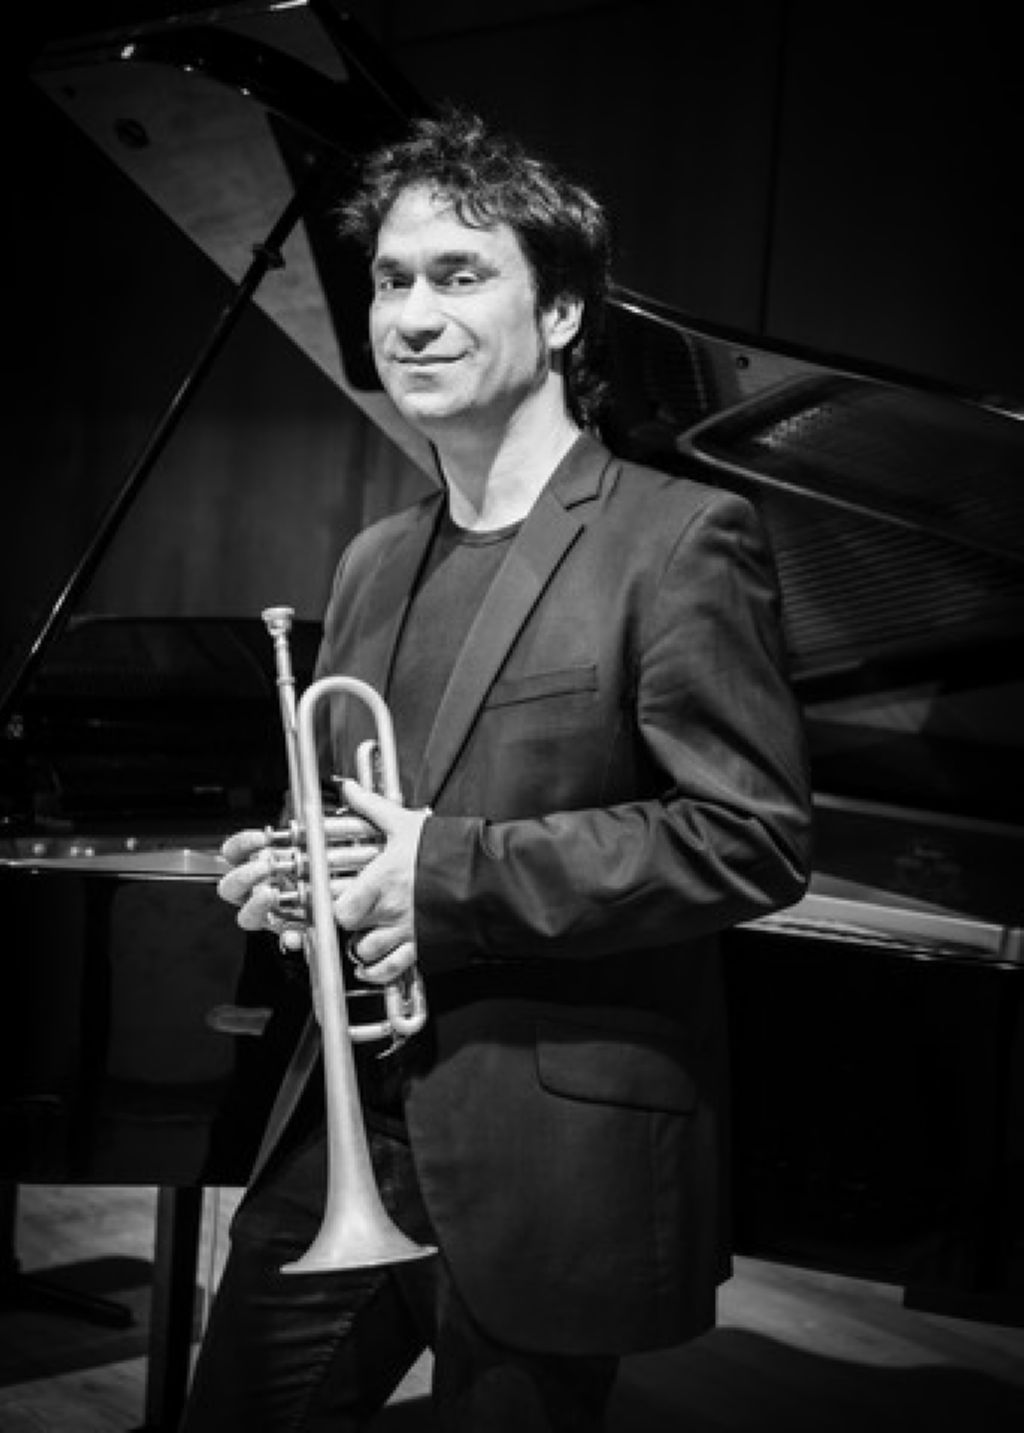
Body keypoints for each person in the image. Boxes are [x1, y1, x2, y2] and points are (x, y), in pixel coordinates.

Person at [180, 108, 813, 1432]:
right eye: (391, 281)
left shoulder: (679, 537)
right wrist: (299, 879)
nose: (411, 315)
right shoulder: (373, 559)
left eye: (459, 276)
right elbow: (354, 823)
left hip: (557, 1147)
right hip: (351, 1125)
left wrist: (445, 869)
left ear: (564, 313)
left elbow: (749, 837)